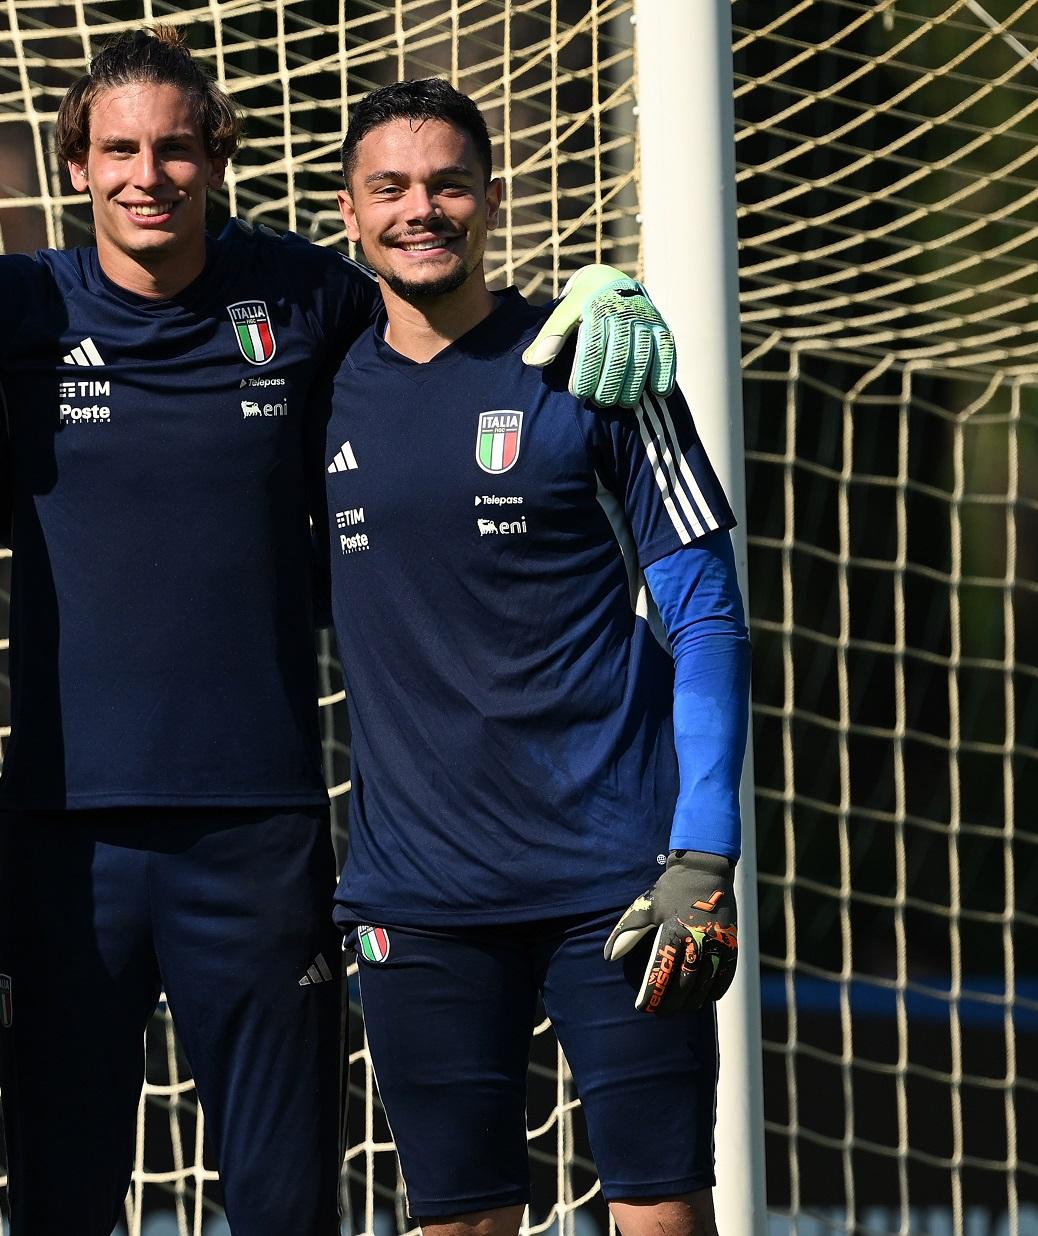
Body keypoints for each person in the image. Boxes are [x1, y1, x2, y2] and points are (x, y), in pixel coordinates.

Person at [0, 31, 678, 1236]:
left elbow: (443, 307)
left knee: (285, 1207)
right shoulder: (5, 306)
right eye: (120, 150)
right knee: (62, 1202)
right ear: (77, 169)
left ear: (218, 160)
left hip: (260, 836)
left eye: (178, 147)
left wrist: (592, 294)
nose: (150, 173)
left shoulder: (309, 295)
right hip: (60, 843)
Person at [321, 78, 747, 1235]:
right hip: (417, 896)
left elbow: (705, 610)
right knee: (458, 1222)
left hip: (617, 883)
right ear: (349, 214)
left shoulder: (599, 363)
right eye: (391, 188)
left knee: (659, 1213)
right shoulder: (318, 384)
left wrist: (704, 852)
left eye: (450, 182)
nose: (423, 209)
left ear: (492, 198)